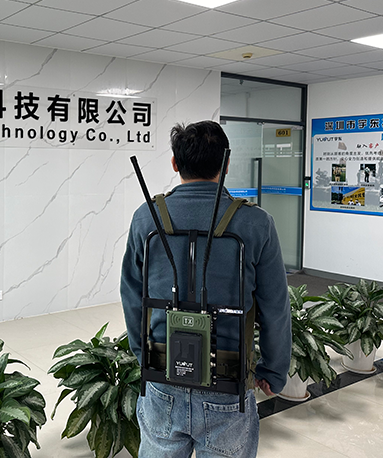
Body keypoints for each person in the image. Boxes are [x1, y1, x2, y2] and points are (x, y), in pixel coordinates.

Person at [121, 121, 291, 458]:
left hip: (162, 372)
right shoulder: (256, 223)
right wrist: (273, 370)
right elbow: (275, 307)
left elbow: (132, 295)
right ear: (226, 165)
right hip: (228, 382)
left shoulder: (147, 217)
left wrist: (143, 355)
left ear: (175, 163)